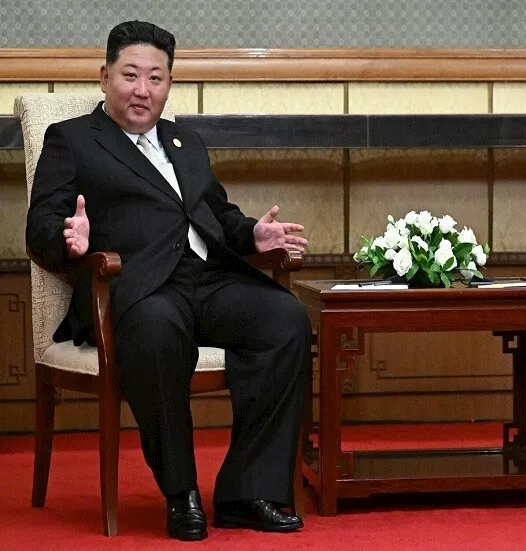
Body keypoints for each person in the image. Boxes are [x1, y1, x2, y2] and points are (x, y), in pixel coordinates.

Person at [26, 21, 312, 541]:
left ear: (169, 84)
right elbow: (39, 227)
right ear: (104, 77)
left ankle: (247, 492)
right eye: (130, 75)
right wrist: (69, 239)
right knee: (158, 332)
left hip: (208, 279)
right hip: (138, 289)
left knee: (285, 320)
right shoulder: (72, 139)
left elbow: (217, 215)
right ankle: (181, 494)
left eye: (155, 78)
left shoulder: (185, 141)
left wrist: (254, 234)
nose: (143, 90)